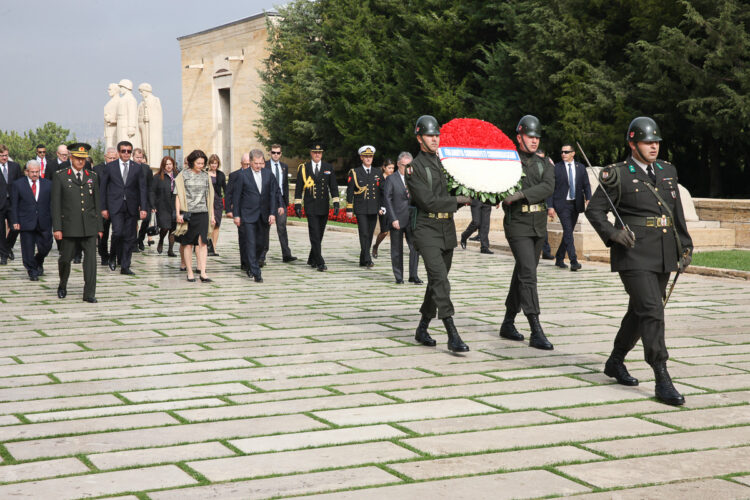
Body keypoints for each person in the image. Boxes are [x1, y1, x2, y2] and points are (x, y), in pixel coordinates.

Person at [586, 117, 693, 406]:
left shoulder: (667, 170)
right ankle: (661, 375)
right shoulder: (617, 174)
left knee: (640, 312)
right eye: (647, 142)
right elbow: (594, 211)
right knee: (652, 310)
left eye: (656, 142)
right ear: (633, 144)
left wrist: (685, 245)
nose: (654, 147)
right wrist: (613, 234)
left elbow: (675, 212)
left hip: (661, 253)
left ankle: (615, 361)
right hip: (632, 252)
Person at [406, 115, 470, 353]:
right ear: (419, 138)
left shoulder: (445, 163)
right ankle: (452, 333)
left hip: (446, 230)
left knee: (436, 281)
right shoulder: (414, 168)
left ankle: (422, 328)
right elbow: (429, 201)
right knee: (441, 280)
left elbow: (458, 186)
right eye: (430, 136)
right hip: (426, 229)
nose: (435, 139)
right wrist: (459, 200)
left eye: (436, 135)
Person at [499, 115, 555, 350]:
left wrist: (521, 194)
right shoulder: (509, 162)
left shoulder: (544, 164)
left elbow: (548, 186)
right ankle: (535, 328)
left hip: (538, 223)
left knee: (522, 272)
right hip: (518, 223)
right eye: (530, 136)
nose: (534, 141)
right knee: (529, 274)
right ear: (519, 137)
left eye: (536, 137)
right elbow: (502, 186)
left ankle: (508, 322)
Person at [51, 143, 103, 302]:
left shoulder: (92, 176)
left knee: (91, 262)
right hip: (69, 227)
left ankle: (89, 293)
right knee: (65, 259)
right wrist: (57, 228)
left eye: (83, 159)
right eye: (78, 159)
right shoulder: (60, 176)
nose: (81, 162)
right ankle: (63, 283)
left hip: (89, 226)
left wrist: (99, 227)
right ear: (71, 158)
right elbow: (56, 205)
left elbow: (97, 203)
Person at [232, 149, 284, 282]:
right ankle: (256, 272)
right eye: (256, 163)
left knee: (261, 244)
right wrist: (236, 215)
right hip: (248, 215)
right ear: (250, 162)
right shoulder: (243, 176)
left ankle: (251, 263)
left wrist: (272, 213)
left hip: (264, 215)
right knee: (250, 242)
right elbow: (237, 197)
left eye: (261, 163)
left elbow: (273, 195)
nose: (259, 166)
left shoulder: (268, 174)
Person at [100, 140, 148, 275]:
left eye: (128, 151)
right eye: (123, 151)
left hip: (132, 206)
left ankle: (125, 266)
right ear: (119, 152)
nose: (126, 154)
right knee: (118, 232)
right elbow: (103, 188)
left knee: (130, 237)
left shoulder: (137, 167)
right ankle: (112, 255)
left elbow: (142, 189)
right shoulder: (111, 167)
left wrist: (143, 207)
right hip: (115, 206)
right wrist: (103, 208)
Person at [293, 143, 339, 272]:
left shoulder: (328, 167)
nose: (317, 154)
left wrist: (336, 203)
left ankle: (311, 258)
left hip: (323, 205)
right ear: (311, 153)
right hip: (311, 205)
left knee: (320, 235)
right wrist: (297, 204)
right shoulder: (304, 168)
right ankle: (320, 261)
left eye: (319, 153)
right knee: (314, 234)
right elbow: (299, 187)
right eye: (315, 152)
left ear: (322, 154)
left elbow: (333, 186)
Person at [547, 143, 591, 271]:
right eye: (562, 152)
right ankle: (573, 260)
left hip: (576, 204)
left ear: (573, 153)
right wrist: (550, 206)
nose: (563, 154)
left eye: (566, 152)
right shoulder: (556, 168)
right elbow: (551, 189)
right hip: (561, 204)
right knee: (568, 230)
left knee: (568, 233)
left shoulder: (581, 168)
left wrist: (589, 198)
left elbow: (586, 185)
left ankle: (559, 258)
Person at [174, 149, 215, 283]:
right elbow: (178, 196)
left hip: (203, 212)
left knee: (203, 243)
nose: (201, 166)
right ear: (192, 162)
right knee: (188, 244)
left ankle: (203, 272)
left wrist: (212, 216)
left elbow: (210, 197)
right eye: (198, 163)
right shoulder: (183, 175)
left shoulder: (205, 175)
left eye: (203, 163)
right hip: (188, 213)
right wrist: (179, 213)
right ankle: (190, 272)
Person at [383, 152, 422, 285]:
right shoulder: (391, 179)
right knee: (397, 249)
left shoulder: (415, 178)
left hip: (413, 219)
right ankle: (399, 276)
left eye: (409, 166)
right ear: (398, 164)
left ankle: (413, 275)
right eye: (404, 165)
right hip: (397, 219)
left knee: (415, 248)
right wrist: (393, 218)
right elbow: (387, 200)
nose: (406, 168)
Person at [10, 160, 52, 280]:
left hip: (44, 220)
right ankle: (32, 270)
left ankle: (38, 260)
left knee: (46, 245)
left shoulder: (48, 184)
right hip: (26, 221)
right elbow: (14, 205)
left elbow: (52, 203)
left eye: (37, 172)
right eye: (32, 172)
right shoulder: (18, 184)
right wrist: (15, 221)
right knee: (27, 248)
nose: (35, 174)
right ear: (27, 172)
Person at [346, 145, 382, 268]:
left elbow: (382, 191)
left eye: (370, 156)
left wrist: (382, 207)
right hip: (361, 208)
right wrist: (349, 208)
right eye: (366, 156)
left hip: (373, 207)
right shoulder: (355, 172)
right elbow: (350, 191)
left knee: (370, 233)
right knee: (364, 233)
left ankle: (362, 259)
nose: (368, 159)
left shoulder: (378, 172)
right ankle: (367, 258)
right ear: (361, 157)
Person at [261, 144, 296, 264]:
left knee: (282, 228)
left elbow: (284, 185)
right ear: (270, 153)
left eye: (278, 153)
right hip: (268, 201)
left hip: (281, 201)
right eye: (273, 152)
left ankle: (286, 254)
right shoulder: (264, 165)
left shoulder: (284, 167)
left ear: (281, 154)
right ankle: (262, 255)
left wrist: (285, 202)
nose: (276, 155)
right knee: (266, 228)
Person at [226, 154, 252, 271]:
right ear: (241, 163)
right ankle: (245, 262)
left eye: (249, 164)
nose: (247, 166)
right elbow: (229, 194)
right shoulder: (235, 175)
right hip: (240, 211)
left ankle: (255, 259)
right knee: (243, 237)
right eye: (245, 164)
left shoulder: (256, 174)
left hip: (253, 211)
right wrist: (229, 210)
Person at [93, 147, 118, 265]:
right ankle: (104, 255)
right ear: (105, 157)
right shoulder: (97, 169)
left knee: (117, 232)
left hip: (117, 206)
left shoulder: (120, 168)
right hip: (102, 206)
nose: (112, 160)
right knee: (103, 233)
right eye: (110, 158)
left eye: (114, 158)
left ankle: (115, 254)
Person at [0, 144, 23, 264]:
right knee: (1, 231)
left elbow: (21, 183)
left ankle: (7, 248)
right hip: (0, 204)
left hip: (12, 203)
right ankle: (3, 255)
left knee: (15, 228)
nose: (4, 158)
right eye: (2, 155)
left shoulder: (15, 166)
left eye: (6, 155)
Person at [150, 156, 178, 256]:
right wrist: (152, 205)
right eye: (166, 164)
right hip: (162, 205)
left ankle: (170, 249)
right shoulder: (157, 177)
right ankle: (161, 240)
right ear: (163, 165)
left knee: (173, 228)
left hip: (175, 205)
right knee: (165, 227)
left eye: (170, 164)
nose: (168, 166)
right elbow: (152, 192)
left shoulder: (178, 175)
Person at [371, 158, 395, 258]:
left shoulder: (394, 178)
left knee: (396, 231)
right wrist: (378, 208)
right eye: (389, 168)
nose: (391, 170)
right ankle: (376, 246)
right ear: (384, 167)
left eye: (393, 168)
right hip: (383, 207)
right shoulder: (378, 178)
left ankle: (395, 252)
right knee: (384, 231)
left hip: (394, 207)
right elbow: (375, 195)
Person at [133, 148, 154, 251]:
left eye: (141, 157)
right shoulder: (129, 167)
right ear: (133, 157)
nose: (139, 159)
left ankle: (140, 238)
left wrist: (152, 203)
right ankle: (133, 244)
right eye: (137, 157)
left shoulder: (147, 168)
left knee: (146, 219)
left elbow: (150, 187)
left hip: (145, 199)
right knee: (133, 221)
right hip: (133, 198)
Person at [206, 154, 226, 257]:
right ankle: (205, 246)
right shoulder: (204, 173)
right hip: (207, 200)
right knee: (209, 223)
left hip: (217, 200)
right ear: (209, 163)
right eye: (212, 163)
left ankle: (213, 247)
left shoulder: (221, 175)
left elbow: (225, 188)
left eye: (216, 163)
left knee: (217, 224)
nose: (214, 165)